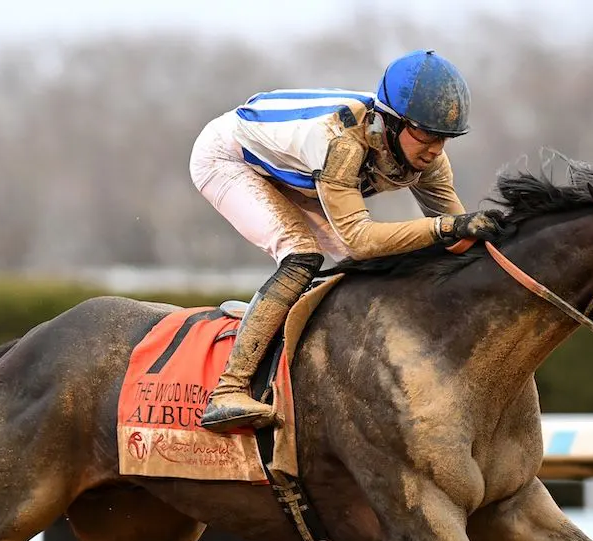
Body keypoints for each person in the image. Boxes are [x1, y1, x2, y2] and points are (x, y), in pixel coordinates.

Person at [189, 49, 510, 433]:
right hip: (227, 160)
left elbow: (457, 237)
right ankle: (229, 389)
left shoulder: (428, 158)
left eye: (444, 138)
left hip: (295, 171)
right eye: (426, 135)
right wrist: (447, 229)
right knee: (302, 255)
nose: (435, 150)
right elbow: (362, 239)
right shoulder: (341, 144)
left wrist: (499, 242)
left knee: (368, 264)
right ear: (392, 123)